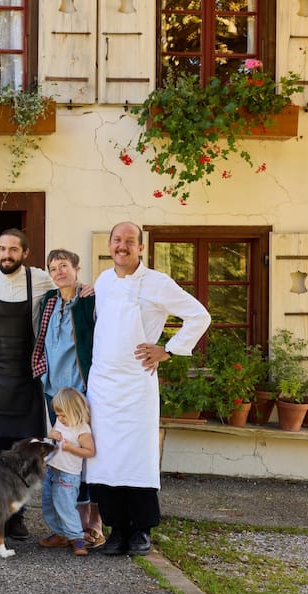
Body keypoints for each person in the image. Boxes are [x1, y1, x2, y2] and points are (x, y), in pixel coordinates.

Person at [86, 222, 210, 556]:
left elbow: (199, 316)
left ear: (141, 248)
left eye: (129, 241)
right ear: (109, 245)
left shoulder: (157, 283)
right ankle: (115, 530)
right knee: (105, 459)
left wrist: (168, 349)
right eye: (116, 240)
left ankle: (141, 531)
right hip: (102, 385)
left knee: (137, 458)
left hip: (136, 384)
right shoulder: (103, 280)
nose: (122, 246)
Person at [0, 228, 54, 540]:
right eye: (2, 249)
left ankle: (17, 519)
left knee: (28, 455)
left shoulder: (41, 279)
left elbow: (67, 288)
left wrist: (84, 290)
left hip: (27, 377)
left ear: (25, 253)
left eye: (13, 250)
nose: (6, 255)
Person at [30, 248, 103, 548]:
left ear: (76, 267)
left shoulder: (90, 300)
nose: (58, 272)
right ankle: (64, 527)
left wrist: (97, 289)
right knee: (60, 455)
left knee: (84, 460)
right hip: (54, 391)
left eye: (63, 266)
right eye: (53, 267)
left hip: (80, 392)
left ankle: (92, 527)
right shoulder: (48, 300)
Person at [37, 387, 96, 557]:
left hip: (68, 476)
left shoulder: (82, 429)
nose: (60, 418)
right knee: (49, 505)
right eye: (57, 415)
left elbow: (90, 451)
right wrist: (51, 435)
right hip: (52, 471)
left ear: (75, 412)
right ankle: (61, 534)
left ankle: (77, 538)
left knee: (66, 507)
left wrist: (72, 448)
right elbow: (55, 440)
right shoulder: (61, 422)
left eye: (63, 415)